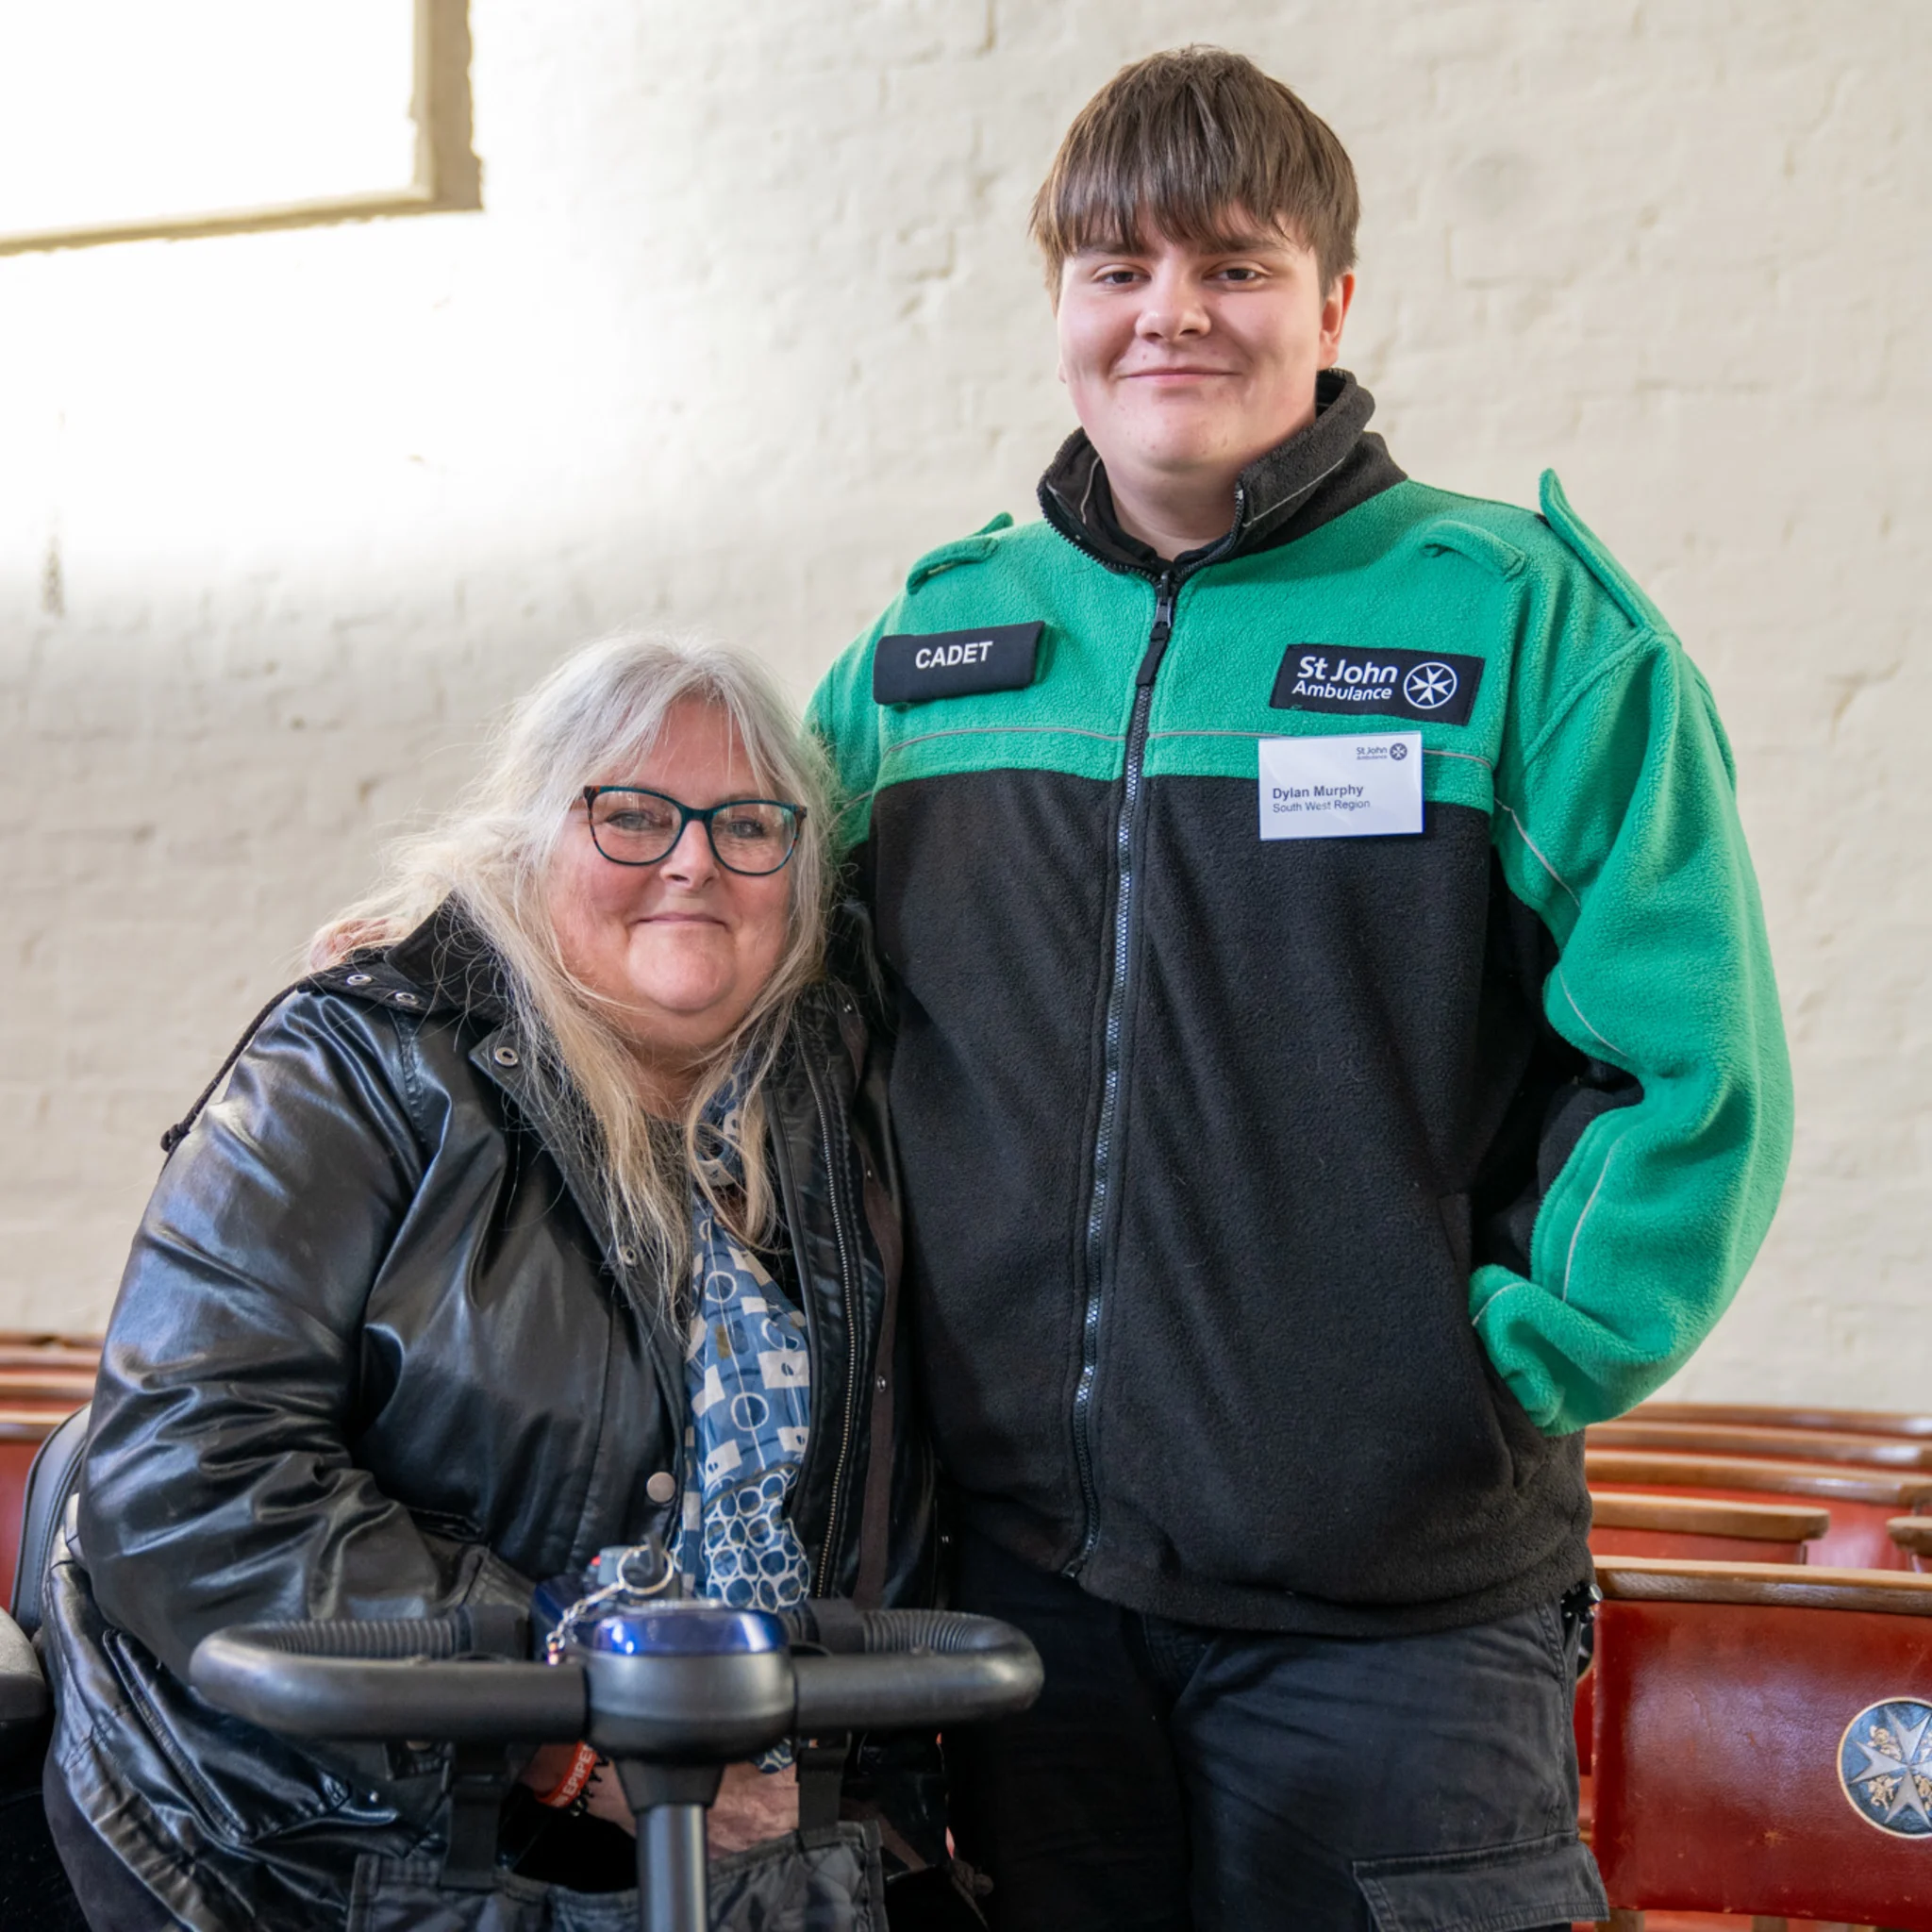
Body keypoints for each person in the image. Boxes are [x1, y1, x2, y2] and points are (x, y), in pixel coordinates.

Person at [808, 46, 1792, 1932]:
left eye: (1233, 265)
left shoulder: (1517, 623)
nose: (1170, 310)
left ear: (1331, 303)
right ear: (1060, 310)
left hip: (1393, 1620)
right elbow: (719, 917)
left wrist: (1502, 1361)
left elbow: (1690, 1056)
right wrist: (450, 936)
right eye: (1118, 270)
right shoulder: (933, 649)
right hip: (1016, 1598)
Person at [40, 633, 940, 1930]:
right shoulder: (356, 1068)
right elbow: (188, 1476)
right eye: (630, 815)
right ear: (526, 848)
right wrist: (564, 1727)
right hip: (327, 1848)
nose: (693, 857)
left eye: (748, 823)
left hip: (762, 1846)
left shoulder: (833, 1104)